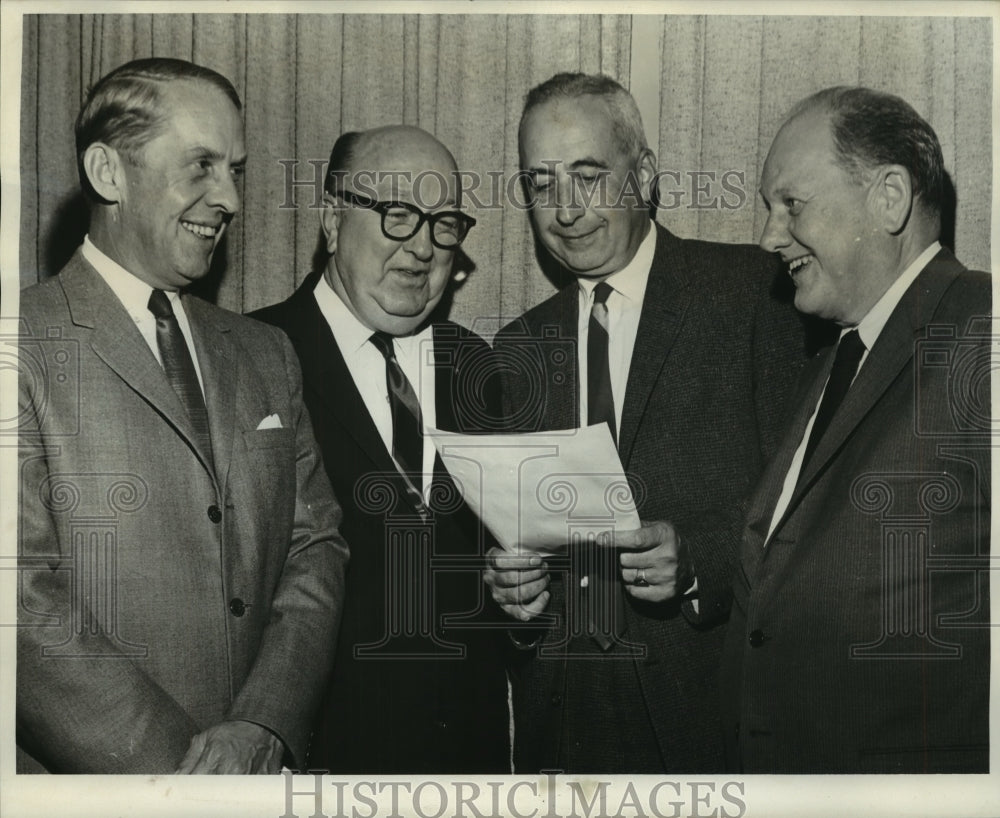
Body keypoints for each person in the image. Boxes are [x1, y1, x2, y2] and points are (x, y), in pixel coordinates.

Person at [16, 58, 349, 775]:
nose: (228, 197)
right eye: (200, 165)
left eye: (234, 169)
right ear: (109, 173)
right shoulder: (20, 345)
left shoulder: (267, 353)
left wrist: (264, 722)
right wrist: (190, 778)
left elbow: (315, 549)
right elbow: (19, 594)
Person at [484, 72, 815, 773]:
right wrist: (513, 598)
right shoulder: (517, 349)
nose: (565, 210)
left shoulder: (757, 296)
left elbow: (811, 512)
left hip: (708, 717)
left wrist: (699, 561)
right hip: (563, 731)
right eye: (541, 184)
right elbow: (517, 551)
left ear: (644, 176)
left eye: (588, 175)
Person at [721, 87, 991, 774]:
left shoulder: (981, 333)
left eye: (792, 205)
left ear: (890, 198)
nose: (769, 236)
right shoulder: (837, 357)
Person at [252, 125, 510, 773]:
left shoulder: (477, 368)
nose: (422, 247)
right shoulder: (251, 355)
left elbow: (502, 580)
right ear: (333, 222)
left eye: (443, 224)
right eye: (397, 216)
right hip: (316, 766)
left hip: (467, 767)